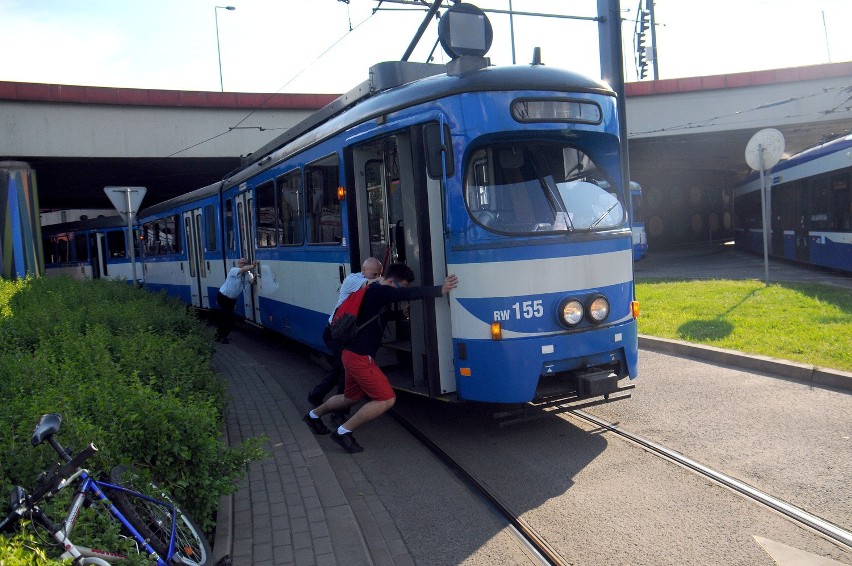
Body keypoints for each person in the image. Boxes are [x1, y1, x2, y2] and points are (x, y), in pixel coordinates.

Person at [303, 263, 458, 453]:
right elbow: (407, 294)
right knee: (386, 399)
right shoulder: (380, 291)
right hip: (359, 357)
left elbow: (377, 316)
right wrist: (440, 289)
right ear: (392, 282)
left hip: (349, 354)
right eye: (401, 286)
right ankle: (343, 432)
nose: (400, 291)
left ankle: (313, 416)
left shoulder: (373, 292)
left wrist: (399, 314)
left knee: (350, 397)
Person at [307, 257, 383, 420]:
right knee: (345, 371)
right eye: (374, 273)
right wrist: (386, 280)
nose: (377, 276)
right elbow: (371, 285)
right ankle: (338, 413)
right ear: (364, 270)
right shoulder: (353, 280)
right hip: (335, 334)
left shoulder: (366, 279)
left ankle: (316, 395)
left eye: (380, 274)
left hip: (344, 334)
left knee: (340, 368)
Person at [214, 258, 258, 343]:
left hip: (232, 300)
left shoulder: (248, 275)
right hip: (223, 296)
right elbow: (242, 270)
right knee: (228, 318)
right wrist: (253, 266)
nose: (243, 264)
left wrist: (256, 277)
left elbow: (252, 281)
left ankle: (219, 336)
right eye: (241, 263)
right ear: (238, 264)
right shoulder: (234, 270)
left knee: (228, 318)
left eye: (245, 263)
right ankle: (222, 337)